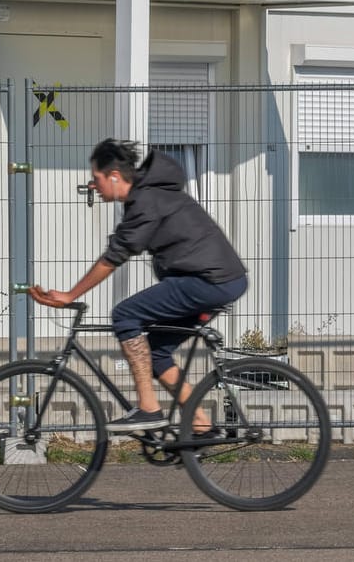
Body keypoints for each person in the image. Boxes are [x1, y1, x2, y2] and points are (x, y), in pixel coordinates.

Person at [31, 139, 249, 432]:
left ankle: (149, 409)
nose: (93, 185)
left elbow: (115, 256)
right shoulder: (148, 197)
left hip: (209, 280)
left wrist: (70, 295)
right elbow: (121, 246)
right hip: (216, 279)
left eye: (96, 179)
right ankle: (200, 424)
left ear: (114, 176)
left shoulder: (146, 201)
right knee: (157, 353)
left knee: (125, 315)